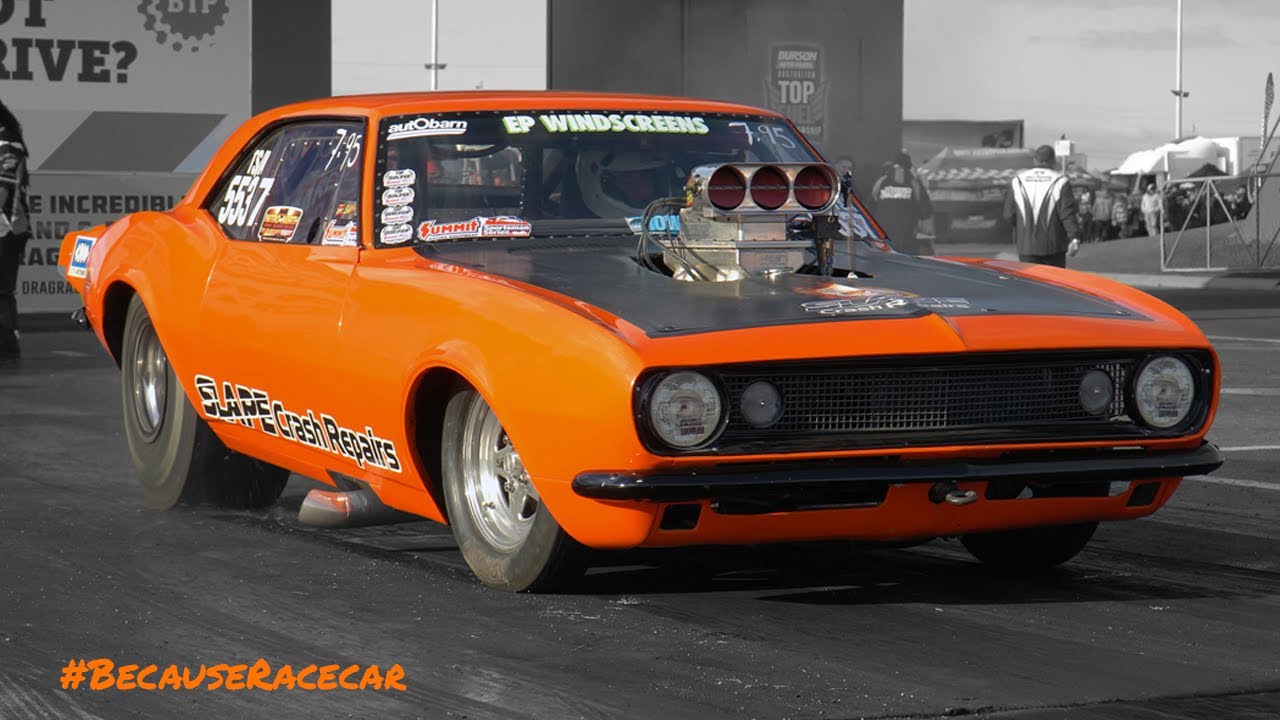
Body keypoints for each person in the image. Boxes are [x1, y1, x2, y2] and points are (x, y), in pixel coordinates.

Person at [1002, 144, 1080, 267]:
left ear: (1035, 160)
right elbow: (1067, 214)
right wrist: (1074, 238)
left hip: (1026, 247)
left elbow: (1008, 215)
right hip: (1054, 247)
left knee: (1029, 279)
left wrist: (1023, 227)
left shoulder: (1018, 180)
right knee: (1052, 280)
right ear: (1053, 161)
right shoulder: (1061, 181)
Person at [0, 99, 30, 365]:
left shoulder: (7, 143)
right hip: (7, 228)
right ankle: (8, 346)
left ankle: (7, 347)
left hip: (7, 228)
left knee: (2, 291)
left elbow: (4, 189)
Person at [870, 150, 933, 254]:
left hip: (883, 232)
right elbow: (925, 209)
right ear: (909, 166)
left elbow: (872, 201)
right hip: (906, 234)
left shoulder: (881, 181)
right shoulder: (914, 182)